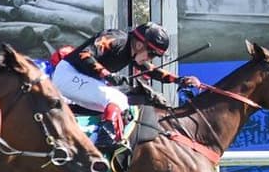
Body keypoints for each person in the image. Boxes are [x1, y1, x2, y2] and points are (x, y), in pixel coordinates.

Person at [52, 22, 200, 151]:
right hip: (68, 74)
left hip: (81, 79)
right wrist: (107, 75)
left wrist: (179, 80)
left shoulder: (132, 52)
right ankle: (103, 142)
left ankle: (87, 141)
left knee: (123, 106)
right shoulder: (116, 38)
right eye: (151, 54)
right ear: (140, 45)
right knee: (117, 99)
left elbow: (151, 70)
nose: (150, 59)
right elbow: (85, 54)